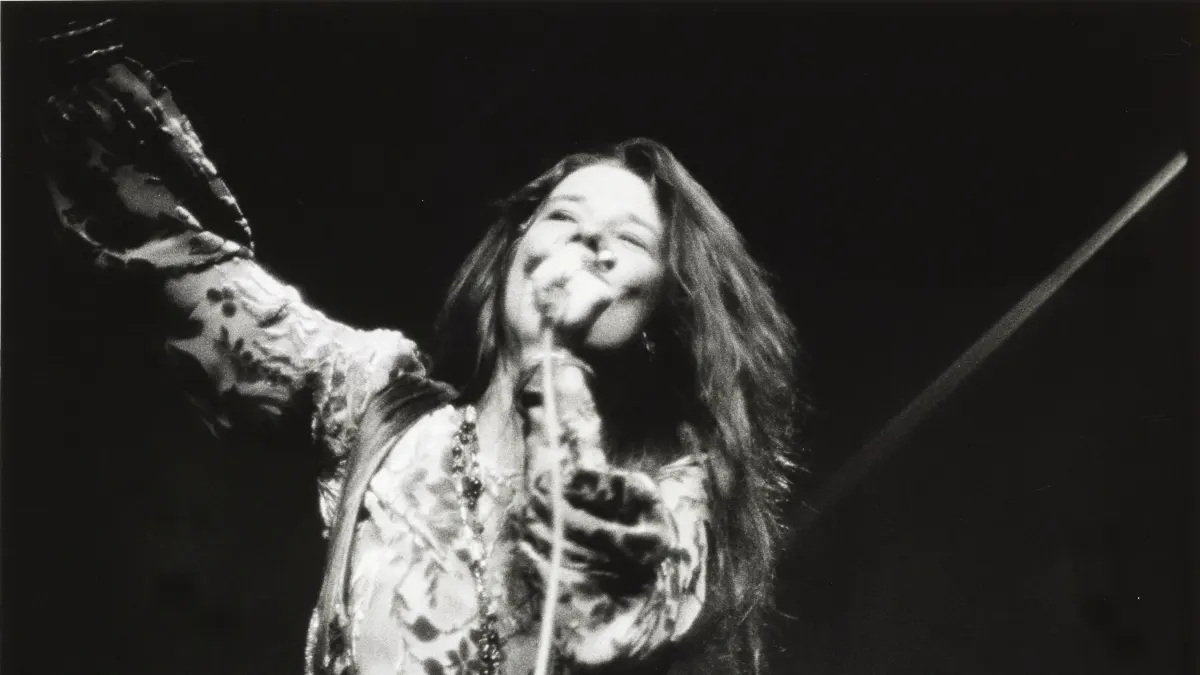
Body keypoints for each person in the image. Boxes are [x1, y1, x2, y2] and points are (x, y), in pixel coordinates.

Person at [38, 21, 800, 675]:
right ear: (512, 255)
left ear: (661, 313)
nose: (588, 243)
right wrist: (65, 81)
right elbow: (190, 278)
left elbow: (598, 613)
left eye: (626, 241)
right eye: (565, 219)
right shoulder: (381, 401)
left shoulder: (673, 497)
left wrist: (551, 371)